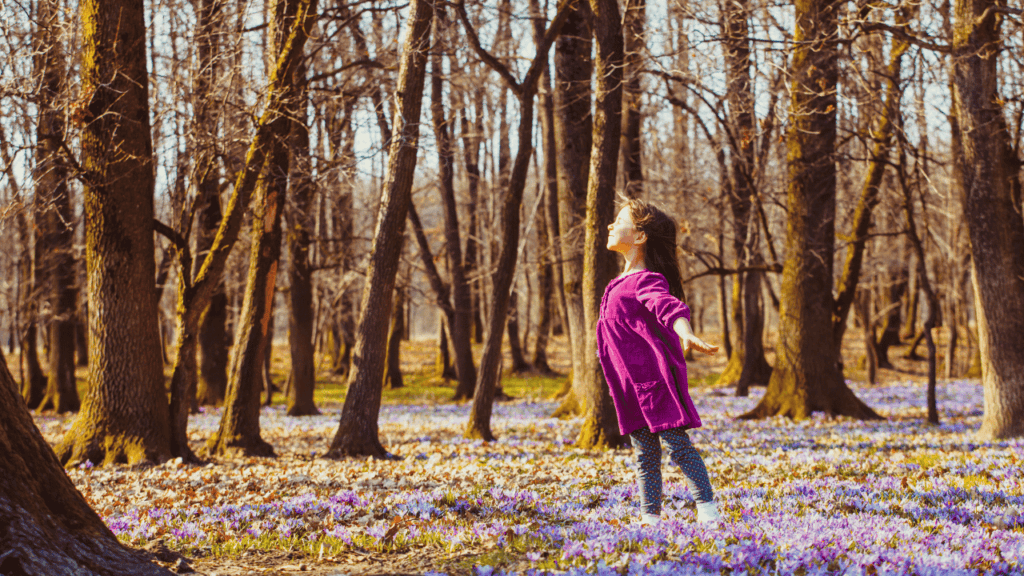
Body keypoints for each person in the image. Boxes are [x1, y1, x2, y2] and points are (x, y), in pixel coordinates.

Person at [597, 198, 721, 525]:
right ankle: (649, 520)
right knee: (644, 455)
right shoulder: (616, 284)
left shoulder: (646, 279)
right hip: (628, 387)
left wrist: (687, 333)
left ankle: (708, 513)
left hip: (654, 383)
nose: (610, 225)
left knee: (678, 446)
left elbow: (668, 306)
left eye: (619, 220)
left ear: (640, 237)